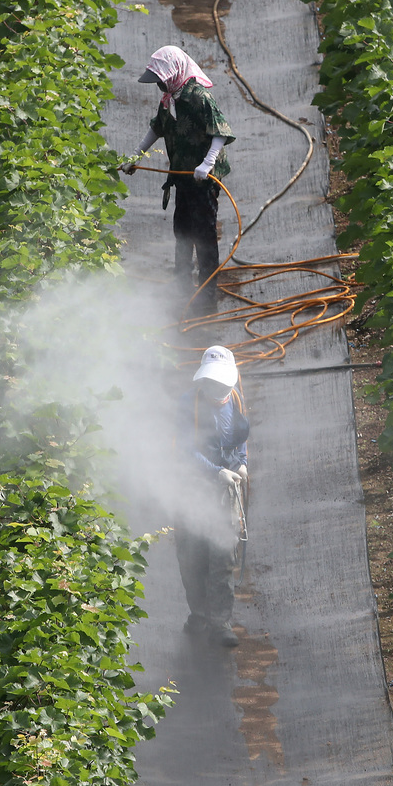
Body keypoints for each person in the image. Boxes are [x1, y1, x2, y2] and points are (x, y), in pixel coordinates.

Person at [122, 45, 235, 288]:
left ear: (173, 73)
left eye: (161, 80)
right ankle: (181, 286)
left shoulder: (198, 96)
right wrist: (136, 155)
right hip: (182, 175)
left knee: (203, 233)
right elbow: (157, 128)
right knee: (182, 230)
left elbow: (221, 132)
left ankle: (206, 293)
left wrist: (208, 162)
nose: (159, 86)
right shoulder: (168, 99)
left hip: (204, 178)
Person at [175, 345, 249, 648]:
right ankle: (199, 613)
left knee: (222, 554)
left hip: (226, 491)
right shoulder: (186, 405)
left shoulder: (236, 400)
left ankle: (220, 622)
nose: (217, 389)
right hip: (191, 489)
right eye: (212, 383)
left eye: (221, 384)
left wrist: (241, 463)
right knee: (192, 556)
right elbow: (183, 450)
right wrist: (214, 471)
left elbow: (240, 441)